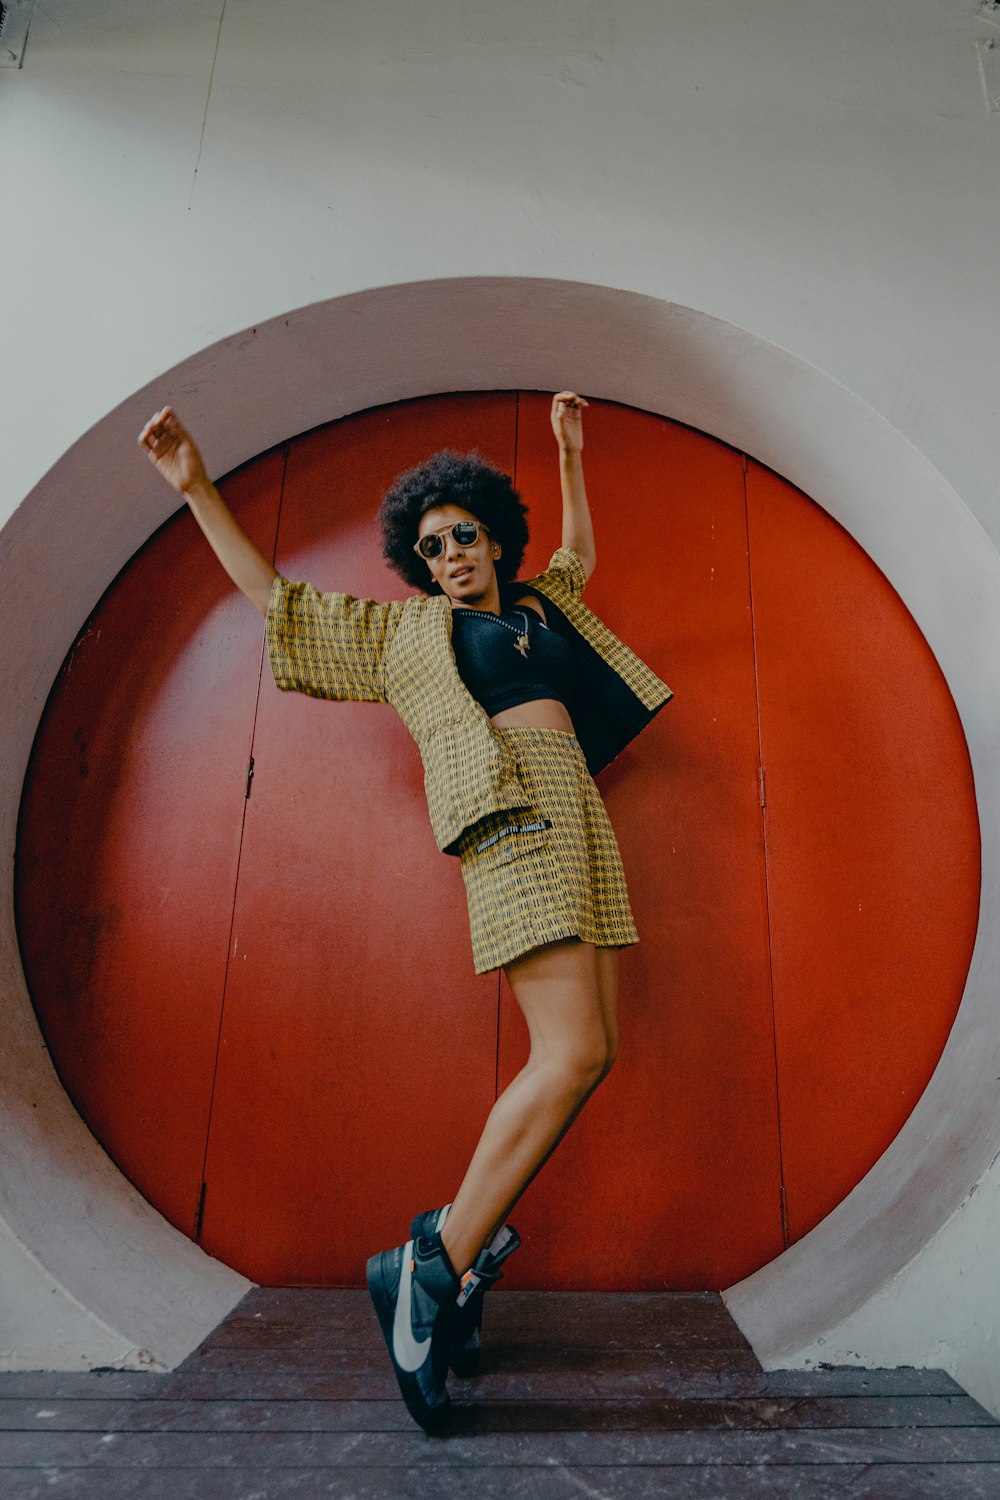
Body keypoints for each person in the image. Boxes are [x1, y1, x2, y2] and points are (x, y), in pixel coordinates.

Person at [138, 392, 672, 1431]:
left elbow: (579, 553)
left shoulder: (543, 607)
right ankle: (434, 1264)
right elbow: (280, 603)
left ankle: (443, 1249)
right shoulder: (404, 638)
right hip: (512, 814)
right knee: (565, 1056)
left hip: (579, 816)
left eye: (466, 534)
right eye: (432, 546)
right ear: (419, 564)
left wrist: (568, 454)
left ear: (494, 540)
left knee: (591, 1053)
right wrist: (197, 488)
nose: (453, 552)